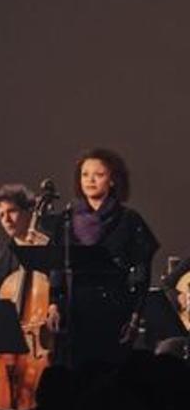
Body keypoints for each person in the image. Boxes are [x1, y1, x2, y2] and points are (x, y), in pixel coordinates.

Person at [46, 148, 158, 367]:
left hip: (114, 310)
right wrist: (53, 304)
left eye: (99, 174)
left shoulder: (129, 219)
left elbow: (142, 272)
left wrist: (135, 316)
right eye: (85, 174)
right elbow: (56, 266)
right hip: (74, 311)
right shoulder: (67, 219)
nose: (90, 180)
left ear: (112, 180)